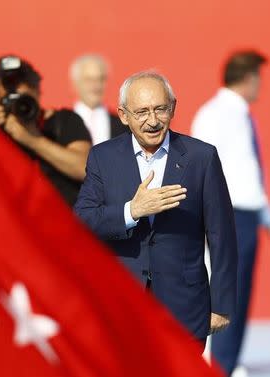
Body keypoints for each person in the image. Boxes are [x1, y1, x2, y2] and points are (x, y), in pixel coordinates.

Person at [74, 71, 238, 346]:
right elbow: (82, 220)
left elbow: (222, 236)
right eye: (141, 112)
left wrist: (221, 305)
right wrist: (131, 211)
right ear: (124, 115)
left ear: (173, 107)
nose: (152, 121)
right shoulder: (103, 157)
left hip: (185, 307)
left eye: (160, 109)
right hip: (121, 305)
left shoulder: (201, 157)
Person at [191, 51, 268, 376]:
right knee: (226, 292)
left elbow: (246, 173)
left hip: (248, 215)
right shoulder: (215, 114)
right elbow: (200, 170)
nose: (261, 86)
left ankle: (229, 362)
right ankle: (219, 365)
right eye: (260, 79)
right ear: (249, 77)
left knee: (240, 292)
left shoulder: (240, 114)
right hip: (229, 215)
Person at [0, 55, 92, 206]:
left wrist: (32, 139)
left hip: (65, 220)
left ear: (37, 90)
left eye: (24, 100)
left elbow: (85, 169)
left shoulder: (65, 121)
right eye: (11, 99)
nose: (19, 105)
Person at [70, 54, 126, 145]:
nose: (95, 85)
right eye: (88, 80)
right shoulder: (61, 125)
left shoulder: (123, 125)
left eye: (100, 79)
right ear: (75, 83)